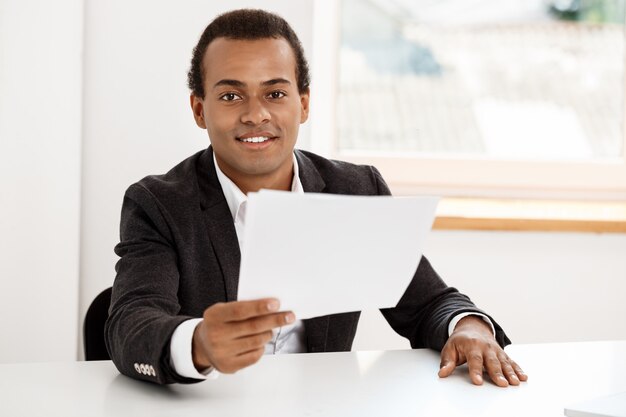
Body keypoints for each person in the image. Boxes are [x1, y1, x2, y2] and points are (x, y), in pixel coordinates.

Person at [105, 8, 527, 387]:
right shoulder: (158, 203)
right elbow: (131, 324)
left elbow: (428, 302)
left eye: (275, 93)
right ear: (199, 109)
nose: (256, 114)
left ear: (303, 103)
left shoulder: (357, 190)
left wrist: (469, 326)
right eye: (231, 96)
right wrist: (199, 343)